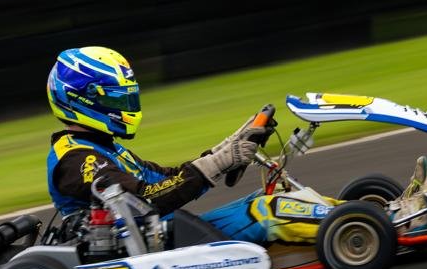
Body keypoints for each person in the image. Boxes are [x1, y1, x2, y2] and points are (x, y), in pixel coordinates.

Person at [45, 46, 266, 221]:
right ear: (81, 99)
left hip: (164, 238)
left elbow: (169, 180)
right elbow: (145, 199)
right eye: (116, 99)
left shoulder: (104, 147)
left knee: (264, 201)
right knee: (270, 214)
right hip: (142, 251)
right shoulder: (77, 159)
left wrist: (227, 148)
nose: (124, 107)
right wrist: (219, 162)